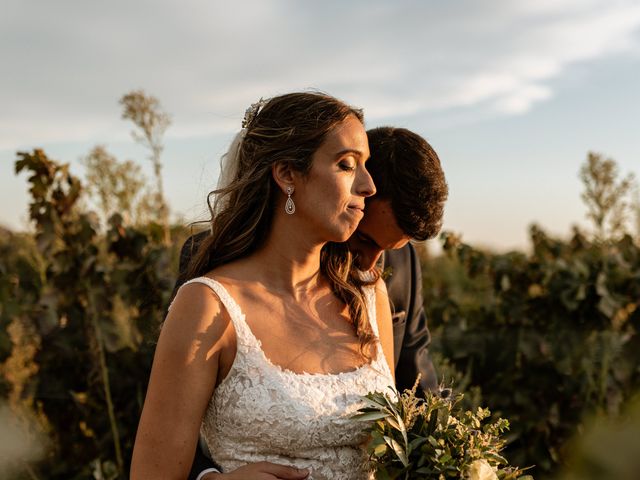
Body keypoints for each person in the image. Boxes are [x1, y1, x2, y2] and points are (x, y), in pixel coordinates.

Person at [131, 92, 396, 480]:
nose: (369, 186)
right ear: (287, 174)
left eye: (366, 166)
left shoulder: (368, 296)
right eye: (346, 165)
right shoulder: (208, 306)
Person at [184, 126, 449, 480]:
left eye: (391, 249)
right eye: (367, 239)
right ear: (354, 195)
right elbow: (170, 412)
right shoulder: (211, 270)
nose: (372, 264)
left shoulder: (393, 273)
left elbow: (416, 384)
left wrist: (452, 457)